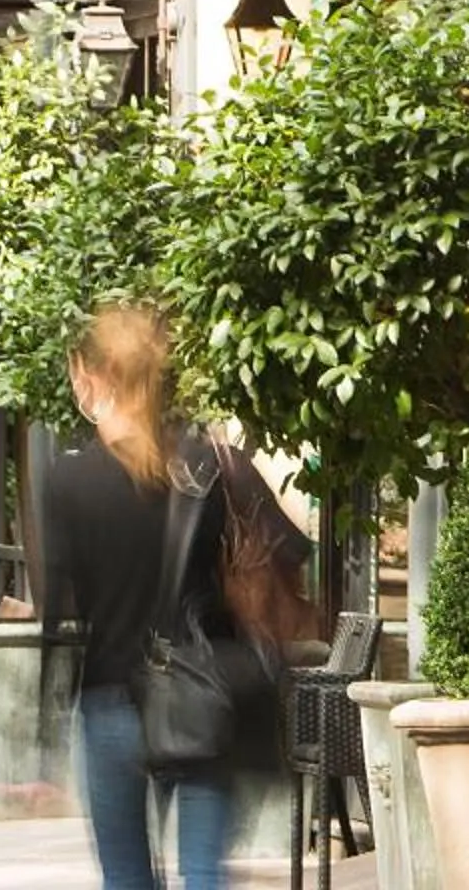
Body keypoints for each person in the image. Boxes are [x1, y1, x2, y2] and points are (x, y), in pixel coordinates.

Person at [38, 303, 310, 890]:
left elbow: (56, 617)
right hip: (203, 696)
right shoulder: (212, 465)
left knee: (126, 878)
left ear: (88, 373)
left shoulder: (67, 481)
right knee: (205, 875)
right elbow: (290, 552)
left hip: (109, 699)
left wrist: (43, 728)